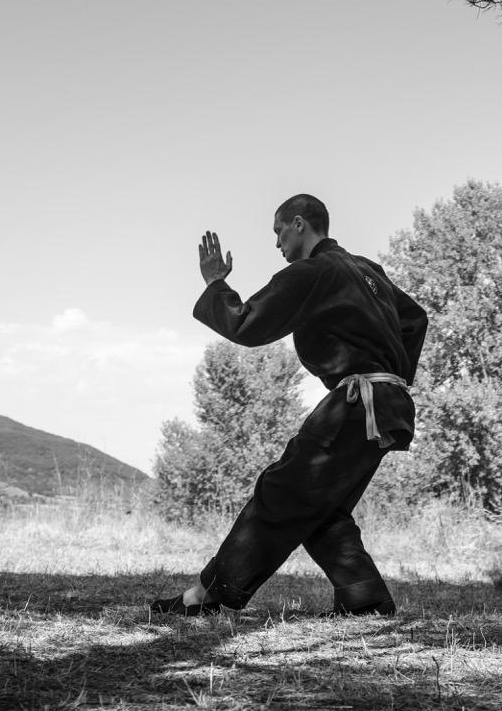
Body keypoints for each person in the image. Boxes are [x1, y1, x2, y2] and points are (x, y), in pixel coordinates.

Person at [151, 194, 428, 617]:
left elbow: (246, 322)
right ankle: (364, 599)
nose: (277, 243)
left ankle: (206, 594)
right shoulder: (368, 270)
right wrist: (394, 374)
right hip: (389, 405)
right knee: (321, 507)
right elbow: (416, 318)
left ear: (299, 224)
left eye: (279, 231)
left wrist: (216, 284)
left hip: (359, 401)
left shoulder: (315, 271)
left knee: (280, 492)